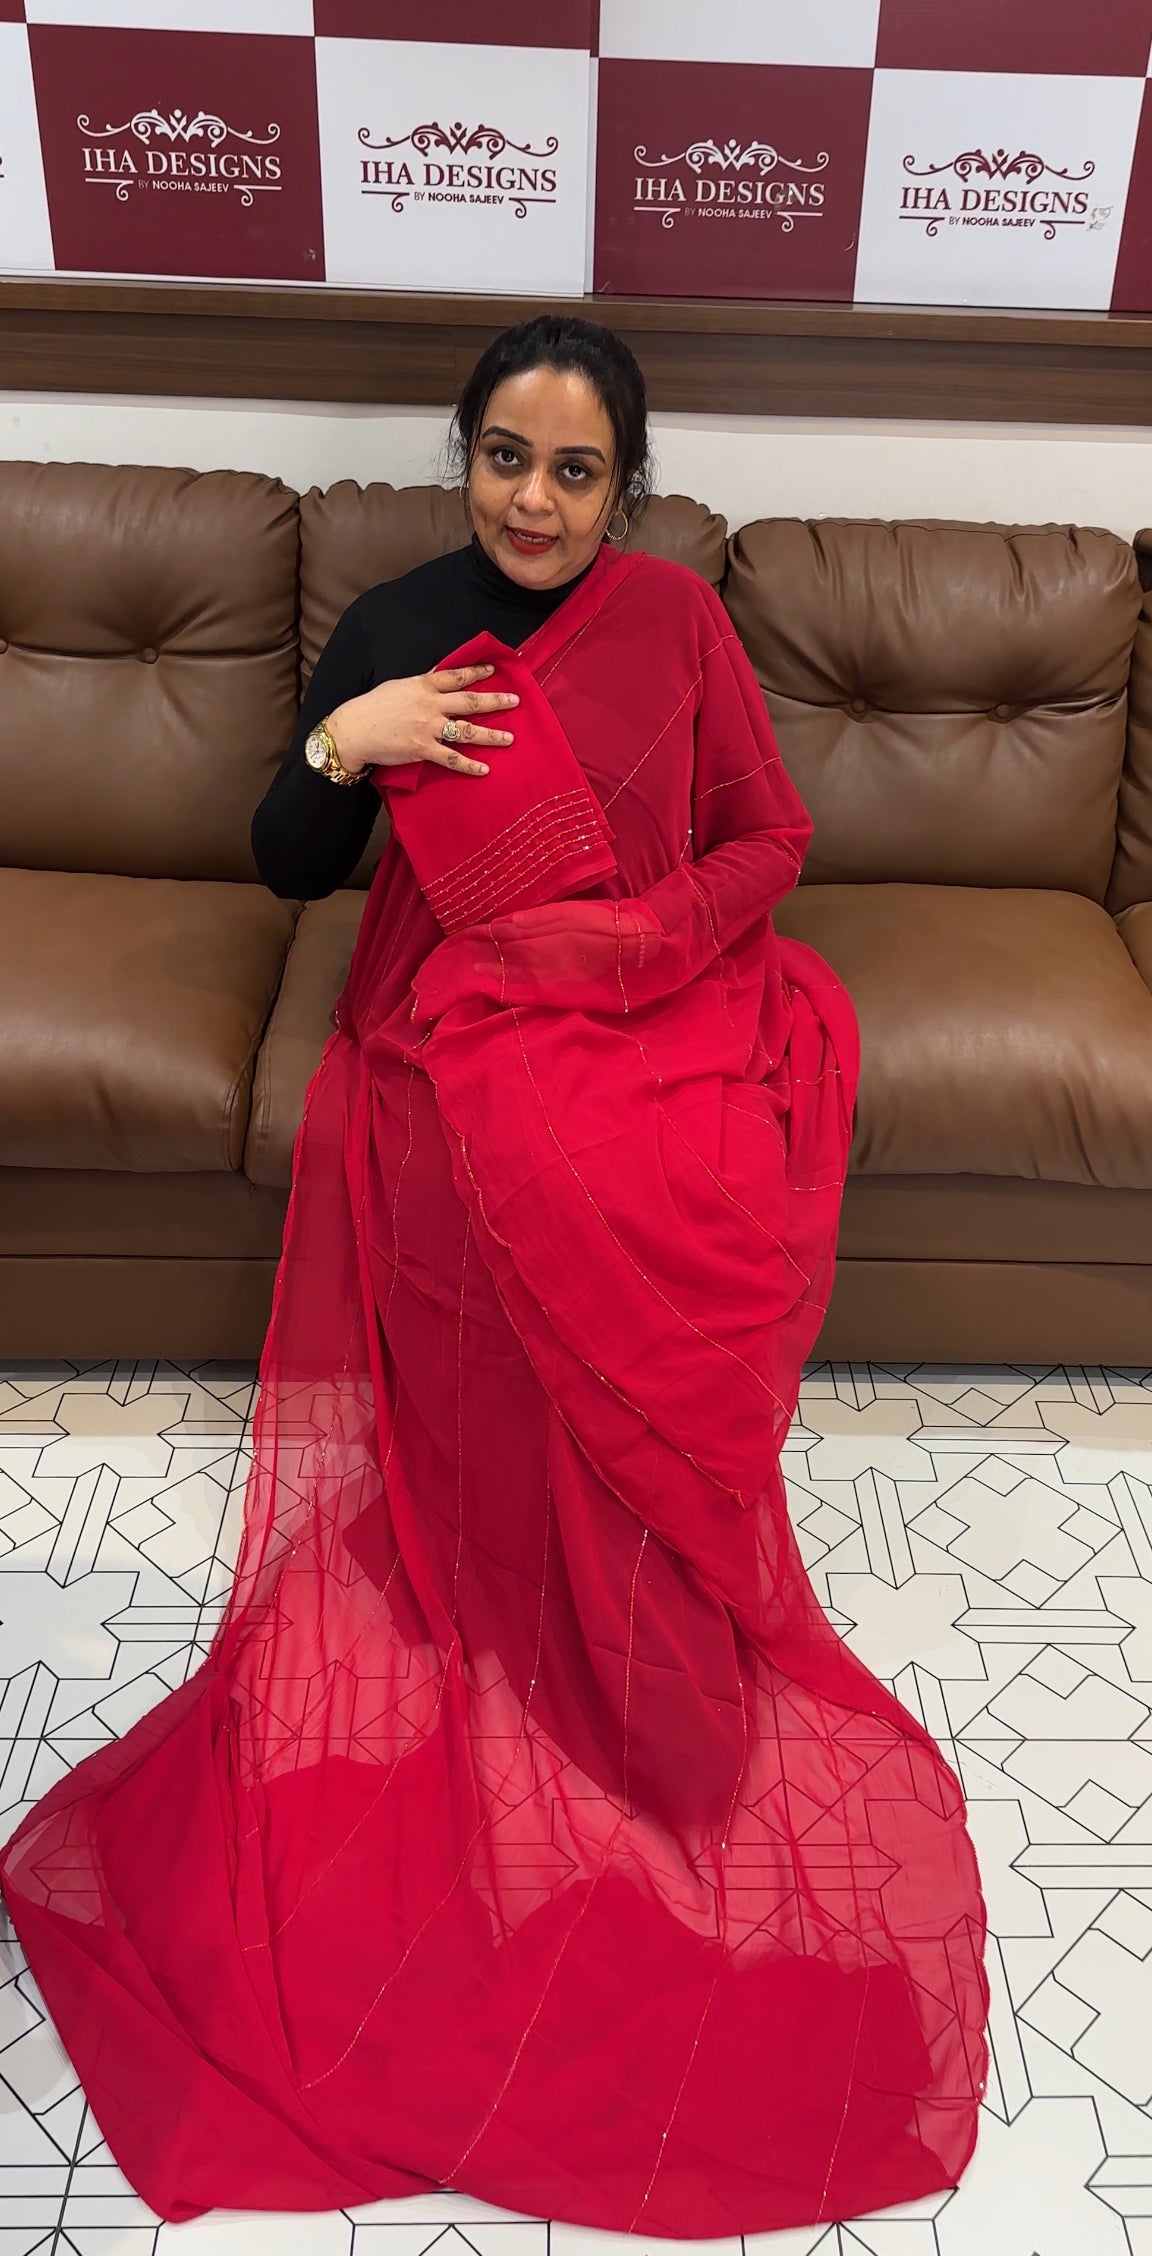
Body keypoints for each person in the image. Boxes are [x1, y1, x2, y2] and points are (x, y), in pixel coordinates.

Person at [0, 316, 987, 2235]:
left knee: (666, 1189)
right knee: (447, 1162)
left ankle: (626, 1550)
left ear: (627, 487)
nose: (534, 501)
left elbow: (769, 838)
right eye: (506, 458)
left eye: (577, 470)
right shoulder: (393, 628)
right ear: (463, 454)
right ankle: (476, 1548)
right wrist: (342, 741)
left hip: (645, 996)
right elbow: (289, 863)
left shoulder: (675, 625)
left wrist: (627, 954)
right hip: (443, 1010)